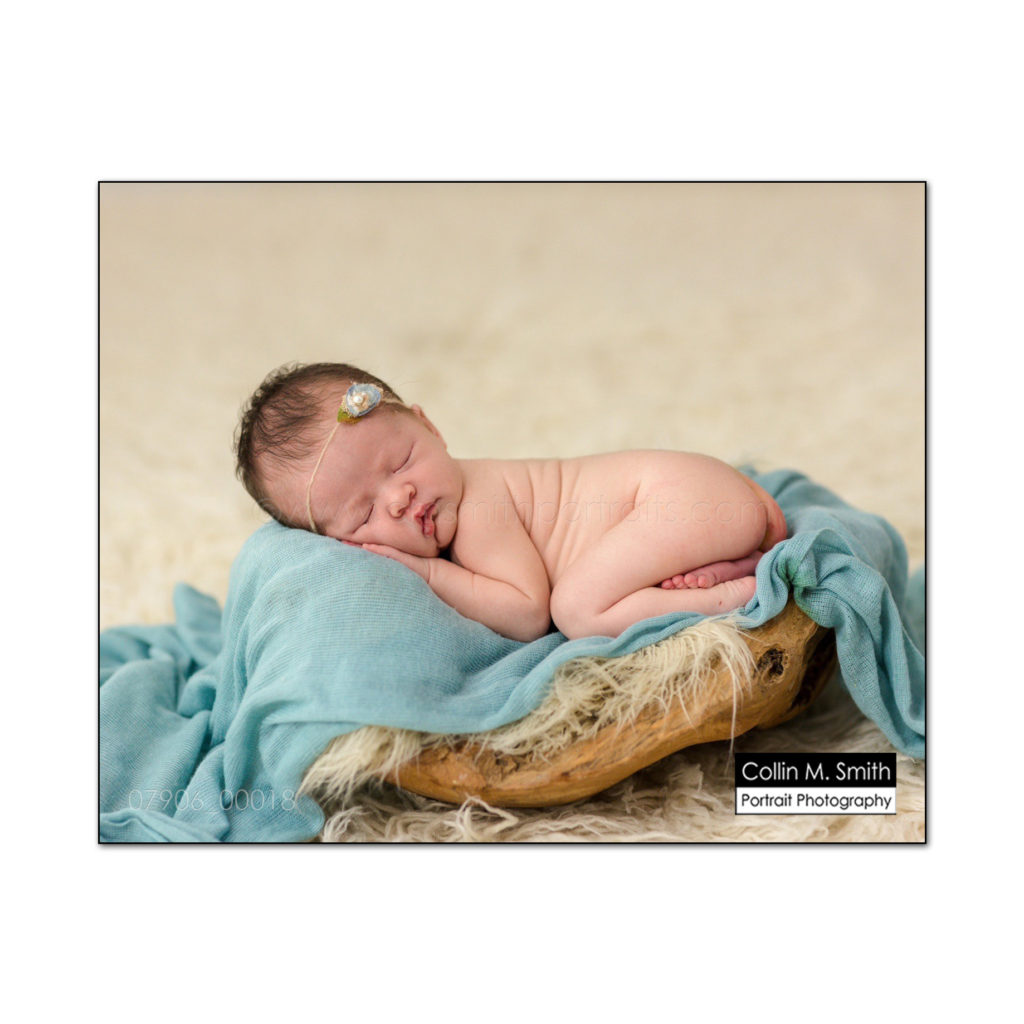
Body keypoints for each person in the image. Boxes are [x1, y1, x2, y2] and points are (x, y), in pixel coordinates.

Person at [234, 363, 787, 643]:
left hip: (682, 498)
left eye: (401, 462)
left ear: (430, 427)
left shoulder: (478, 507)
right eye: (365, 514)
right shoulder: (444, 502)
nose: (399, 498)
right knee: (597, 588)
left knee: (577, 609)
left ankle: (737, 594)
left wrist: (427, 572)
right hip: (705, 501)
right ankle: (727, 561)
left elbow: (526, 614)